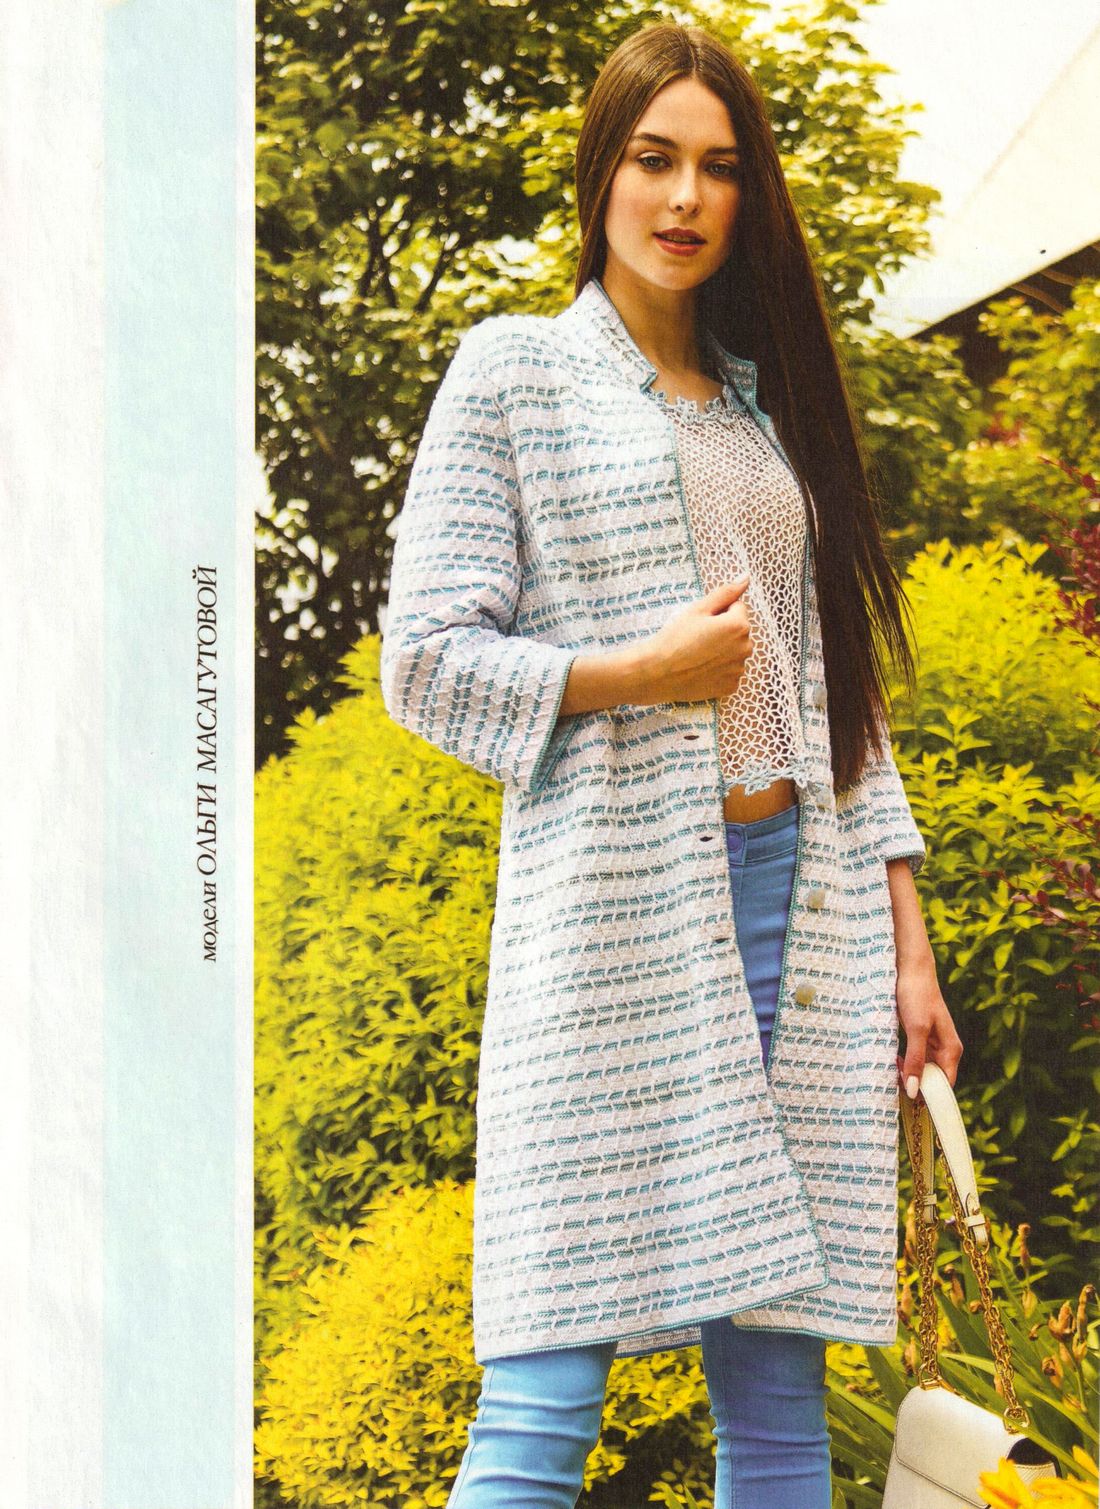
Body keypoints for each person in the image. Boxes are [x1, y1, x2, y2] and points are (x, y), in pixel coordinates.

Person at [380, 21, 963, 1509]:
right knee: (542, 1398)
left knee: (777, 1408)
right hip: (615, 929)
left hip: (808, 917)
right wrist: (638, 672)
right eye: (655, 159)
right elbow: (424, 660)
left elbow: (841, 704)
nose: (687, 197)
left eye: (720, 166)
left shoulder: (768, 409)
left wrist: (910, 945)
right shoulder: (513, 373)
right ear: (604, 171)